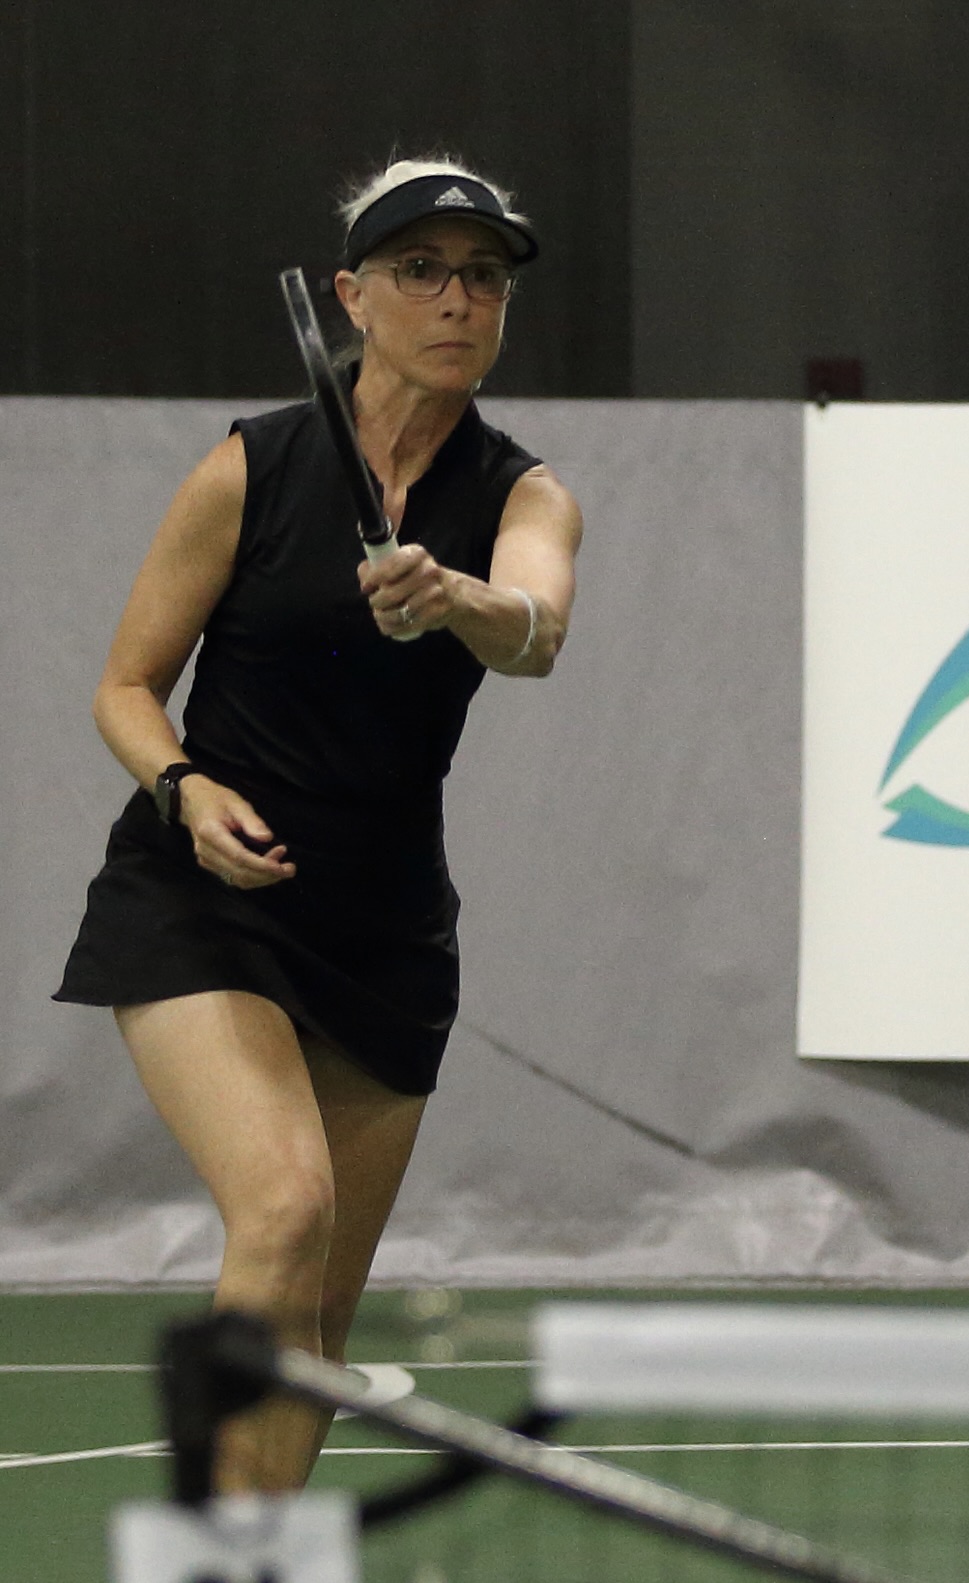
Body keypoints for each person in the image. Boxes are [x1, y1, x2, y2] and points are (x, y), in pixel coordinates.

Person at [54, 157, 582, 1491]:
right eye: (422, 271)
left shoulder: (525, 495)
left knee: (317, 1329)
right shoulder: (250, 468)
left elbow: (535, 631)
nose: (458, 299)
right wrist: (181, 788)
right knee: (283, 1208)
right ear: (353, 295)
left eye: (484, 275)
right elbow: (125, 686)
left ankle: (259, 1551)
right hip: (206, 892)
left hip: (385, 927)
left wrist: (456, 597)